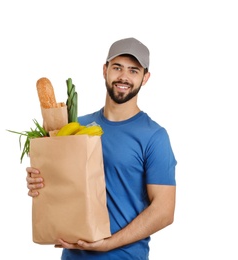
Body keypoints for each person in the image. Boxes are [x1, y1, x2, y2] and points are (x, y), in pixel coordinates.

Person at [26, 37, 177, 259]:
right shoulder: (75, 126)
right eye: (117, 67)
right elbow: (62, 186)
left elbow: (164, 211)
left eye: (133, 70)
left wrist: (108, 244)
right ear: (105, 70)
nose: (124, 76)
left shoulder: (154, 136)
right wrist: (39, 181)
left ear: (145, 78)